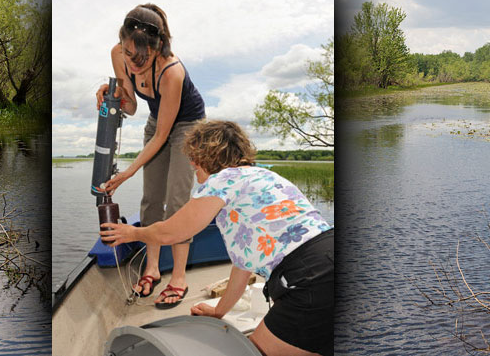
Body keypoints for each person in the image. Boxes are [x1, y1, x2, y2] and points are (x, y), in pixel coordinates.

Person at [101, 120, 334, 356]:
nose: (192, 164)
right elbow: (242, 268)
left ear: (204, 157)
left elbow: (172, 232)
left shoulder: (223, 179)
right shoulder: (264, 177)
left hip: (308, 276)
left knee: (253, 351)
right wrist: (218, 312)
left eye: (193, 158)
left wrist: (132, 233)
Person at [95, 3, 205, 308]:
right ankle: (152, 268)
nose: (133, 63)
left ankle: (179, 277)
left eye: (141, 58)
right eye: (129, 55)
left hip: (187, 126)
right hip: (157, 122)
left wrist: (128, 172)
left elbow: (162, 138)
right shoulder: (120, 53)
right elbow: (130, 106)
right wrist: (113, 94)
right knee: (151, 199)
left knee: (177, 201)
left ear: (158, 48)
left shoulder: (173, 72)